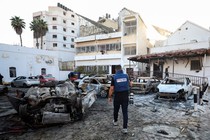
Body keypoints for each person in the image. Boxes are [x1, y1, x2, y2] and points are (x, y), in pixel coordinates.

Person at [108, 65, 132, 134]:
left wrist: (110, 97)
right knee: (125, 112)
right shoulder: (126, 76)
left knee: (116, 109)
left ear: (116, 70)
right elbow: (130, 85)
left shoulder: (114, 77)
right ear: (121, 69)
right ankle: (125, 128)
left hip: (117, 96)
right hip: (125, 95)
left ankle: (115, 121)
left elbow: (112, 88)